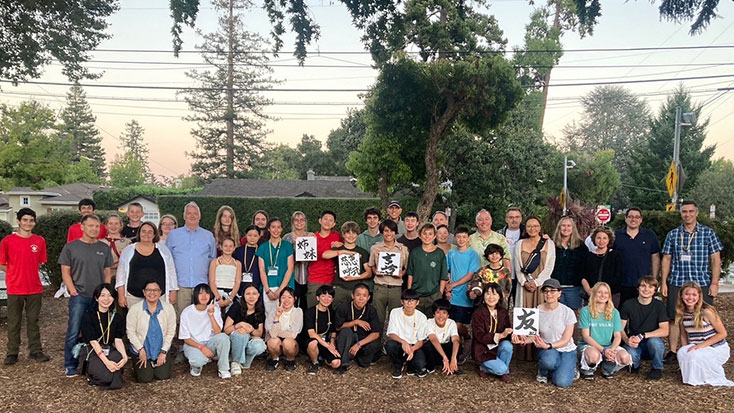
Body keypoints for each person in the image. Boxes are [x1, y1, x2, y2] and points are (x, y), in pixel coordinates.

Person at [661, 200, 723, 364]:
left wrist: (715, 283)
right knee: (675, 318)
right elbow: (666, 259)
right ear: (681, 213)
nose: (687, 214)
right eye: (684, 212)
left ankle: (705, 348)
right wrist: (664, 282)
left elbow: (716, 259)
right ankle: (673, 351)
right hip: (677, 281)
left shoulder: (708, 233)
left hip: (701, 283)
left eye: (690, 211)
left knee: (704, 316)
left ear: (696, 213)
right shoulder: (673, 234)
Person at [59, 214, 114, 377]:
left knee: (99, 331)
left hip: (99, 299)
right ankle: (70, 364)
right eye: (90, 226)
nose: (94, 229)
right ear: (82, 227)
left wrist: (106, 293)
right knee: (74, 331)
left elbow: (107, 272)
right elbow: (65, 271)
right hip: (80, 296)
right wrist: (72, 290)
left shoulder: (104, 248)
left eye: (97, 226)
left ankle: (93, 363)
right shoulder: (71, 247)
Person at [1, 208, 50, 365]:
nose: (28, 223)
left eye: (31, 220)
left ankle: (35, 350)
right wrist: (14, 273)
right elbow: (2, 263)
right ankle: (12, 352)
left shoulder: (39, 241)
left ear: (34, 223)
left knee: (33, 320)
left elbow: (39, 263)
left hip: (34, 288)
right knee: (14, 321)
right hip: (15, 288)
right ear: (18, 222)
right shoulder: (7, 241)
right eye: (25, 220)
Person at [515, 279, 577, 388]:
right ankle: (544, 370)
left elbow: (566, 340)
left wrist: (549, 346)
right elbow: (533, 335)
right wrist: (522, 340)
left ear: (559, 293)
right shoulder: (536, 311)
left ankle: (568, 367)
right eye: (546, 291)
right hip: (547, 349)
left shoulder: (568, 312)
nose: (549, 294)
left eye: (552, 291)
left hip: (566, 349)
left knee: (562, 383)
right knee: (549, 361)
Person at [514, 216, 555, 365]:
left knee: (542, 316)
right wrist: (525, 282)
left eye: (536, 226)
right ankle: (524, 351)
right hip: (525, 287)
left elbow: (549, 267)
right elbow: (517, 267)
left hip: (542, 287)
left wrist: (537, 282)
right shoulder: (519, 244)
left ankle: (541, 350)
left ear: (540, 227)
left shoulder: (549, 244)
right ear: (526, 228)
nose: (533, 229)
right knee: (526, 315)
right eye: (529, 226)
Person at [675, 281, 734, 386]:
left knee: (696, 355)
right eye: (687, 294)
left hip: (716, 347)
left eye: (694, 295)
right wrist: (685, 352)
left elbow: (722, 333)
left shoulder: (707, 311)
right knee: (682, 352)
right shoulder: (682, 313)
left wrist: (700, 346)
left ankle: (703, 378)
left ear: (699, 296)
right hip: (697, 346)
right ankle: (690, 375)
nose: (690, 297)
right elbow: (683, 335)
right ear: (681, 295)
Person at [166, 202, 216, 318]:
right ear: (184, 216)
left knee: (201, 317)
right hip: (180, 286)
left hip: (201, 285)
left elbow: (212, 260)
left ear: (200, 216)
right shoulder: (173, 235)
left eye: (195, 213)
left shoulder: (208, 236)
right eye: (189, 213)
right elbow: (168, 262)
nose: (192, 216)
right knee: (180, 318)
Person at [116, 222, 178, 309]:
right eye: (143, 231)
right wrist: (121, 295)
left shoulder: (163, 250)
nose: (146, 234)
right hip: (134, 297)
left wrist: (173, 291)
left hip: (159, 297)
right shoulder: (128, 250)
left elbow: (171, 272)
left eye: (150, 232)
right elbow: (120, 274)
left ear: (154, 234)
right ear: (139, 233)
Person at [126, 280, 177, 383]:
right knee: (145, 379)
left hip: (160, 350)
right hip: (142, 350)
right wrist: (140, 349)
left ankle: (156, 362)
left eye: (155, 290)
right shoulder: (135, 309)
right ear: (144, 292)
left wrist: (163, 352)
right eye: (148, 290)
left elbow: (171, 332)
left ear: (160, 292)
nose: (152, 293)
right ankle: (141, 366)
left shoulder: (168, 308)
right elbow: (130, 332)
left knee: (163, 376)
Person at [578, 282, 630, 380]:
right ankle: (587, 369)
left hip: (608, 346)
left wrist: (612, 350)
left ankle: (607, 368)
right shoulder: (586, 311)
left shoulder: (614, 312)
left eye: (606, 293)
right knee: (593, 356)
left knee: (625, 358)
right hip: (590, 345)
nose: (603, 295)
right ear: (594, 294)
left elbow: (618, 336)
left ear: (609, 296)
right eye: (599, 292)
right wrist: (603, 350)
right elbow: (586, 336)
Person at [79, 283, 127, 389]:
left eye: (110, 295)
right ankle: (103, 377)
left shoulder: (117, 317)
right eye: (102, 295)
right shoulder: (89, 316)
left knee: (118, 358)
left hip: (110, 350)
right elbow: (93, 342)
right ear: (96, 298)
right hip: (93, 351)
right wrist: (107, 362)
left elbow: (118, 339)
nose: (106, 299)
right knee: (107, 376)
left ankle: (109, 375)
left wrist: (125, 357)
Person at [620, 276, 668, 381]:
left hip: (650, 342)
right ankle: (635, 365)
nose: (646, 289)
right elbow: (620, 328)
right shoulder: (628, 304)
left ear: (655, 290)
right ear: (638, 288)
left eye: (650, 287)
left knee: (655, 343)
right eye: (643, 286)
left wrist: (643, 335)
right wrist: (627, 340)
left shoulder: (659, 306)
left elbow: (665, 330)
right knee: (631, 354)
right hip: (634, 342)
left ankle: (657, 368)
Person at [179, 283, 231, 379]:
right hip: (193, 344)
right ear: (195, 295)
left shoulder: (214, 308)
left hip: (209, 342)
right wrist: (202, 348)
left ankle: (223, 369)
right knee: (198, 361)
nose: (204, 296)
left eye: (207, 293)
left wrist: (211, 315)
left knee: (224, 338)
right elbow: (185, 338)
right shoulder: (187, 312)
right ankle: (196, 367)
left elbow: (218, 333)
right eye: (200, 293)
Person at [444, 225, 481, 353]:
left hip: (464, 295)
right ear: (455, 238)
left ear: (468, 239)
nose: (461, 239)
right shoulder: (451, 254)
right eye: (458, 237)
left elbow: (471, 274)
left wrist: (454, 285)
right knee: (451, 323)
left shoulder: (473, 255)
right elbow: (447, 271)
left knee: (459, 325)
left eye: (464, 237)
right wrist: (447, 289)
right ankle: (457, 352)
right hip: (452, 295)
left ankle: (467, 337)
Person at [613, 207, 661, 305]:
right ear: (625, 219)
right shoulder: (616, 236)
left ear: (641, 220)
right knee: (623, 314)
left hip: (644, 284)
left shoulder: (650, 235)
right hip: (621, 283)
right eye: (630, 217)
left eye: (636, 217)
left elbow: (655, 257)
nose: (633, 219)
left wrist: (654, 279)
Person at [334, 283, 382, 375]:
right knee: (345, 331)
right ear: (353, 295)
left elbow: (376, 333)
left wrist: (359, 344)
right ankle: (344, 363)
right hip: (349, 338)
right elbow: (338, 327)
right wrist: (355, 322)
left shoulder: (371, 310)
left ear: (368, 297)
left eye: (364, 296)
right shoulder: (344, 307)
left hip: (362, 339)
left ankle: (357, 356)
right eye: (358, 295)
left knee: (366, 359)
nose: (361, 298)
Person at [370, 219, 409, 328]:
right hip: (380, 287)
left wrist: (402, 273)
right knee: (378, 318)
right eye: (386, 231)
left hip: (396, 288)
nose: (389, 234)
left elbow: (406, 267)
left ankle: (394, 343)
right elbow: (372, 265)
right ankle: (376, 343)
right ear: (382, 232)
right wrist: (376, 272)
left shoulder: (403, 249)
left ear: (395, 232)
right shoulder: (375, 248)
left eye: (392, 231)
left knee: (395, 319)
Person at [471, 283, 513, 383]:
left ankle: (499, 371)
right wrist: (500, 335)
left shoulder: (503, 312)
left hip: (497, 347)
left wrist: (514, 335)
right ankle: (490, 368)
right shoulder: (478, 313)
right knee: (501, 369)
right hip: (483, 349)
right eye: (488, 293)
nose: (491, 297)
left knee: (508, 346)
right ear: (483, 296)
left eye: (494, 294)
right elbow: (479, 335)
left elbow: (508, 330)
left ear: (499, 296)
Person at [325, 221, 371, 307]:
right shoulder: (338, 250)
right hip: (339, 288)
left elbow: (369, 273)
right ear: (343, 234)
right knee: (337, 313)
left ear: (357, 235)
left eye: (353, 233)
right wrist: (342, 251)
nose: (351, 236)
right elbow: (325, 255)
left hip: (356, 289)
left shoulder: (362, 252)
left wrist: (355, 277)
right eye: (347, 233)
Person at [223, 283, 267, 374]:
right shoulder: (236, 306)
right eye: (248, 294)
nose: (251, 297)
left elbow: (259, 332)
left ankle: (245, 362)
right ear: (243, 295)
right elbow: (226, 329)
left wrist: (251, 329)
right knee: (241, 334)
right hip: (235, 339)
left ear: (259, 295)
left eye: (254, 294)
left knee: (260, 346)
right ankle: (236, 362)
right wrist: (239, 325)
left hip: (249, 341)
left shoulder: (260, 311)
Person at [257, 217, 295, 319]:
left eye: (278, 227)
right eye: (273, 227)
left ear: (282, 229)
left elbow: (290, 268)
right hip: (269, 286)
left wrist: (280, 291)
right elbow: (262, 270)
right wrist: (268, 290)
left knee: (287, 316)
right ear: (268, 229)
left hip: (285, 287)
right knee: (270, 316)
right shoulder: (263, 247)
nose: (276, 230)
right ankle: (269, 335)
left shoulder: (287, 246)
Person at [386, 289, 428, 379]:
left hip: (414, 346)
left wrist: (411, 350)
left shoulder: (422, 317)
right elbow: (391, 334)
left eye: (412, 300)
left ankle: (410, 364)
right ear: (402, 301)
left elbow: (421, 341)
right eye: (406, 300)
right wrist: (403, 342)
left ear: (417, 303)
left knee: (420, 365)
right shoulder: (395, 312)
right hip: (399, 344)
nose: (409, 303)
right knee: (390, 345)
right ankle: (398, 364)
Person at [407, 223, 448, 315]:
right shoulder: (415, 252)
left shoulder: (439, 253)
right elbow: (410, 273)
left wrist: (440, 293)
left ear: (434, 236)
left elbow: (443, 276)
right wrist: (409, 292)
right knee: (416, 321)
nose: (427, 236)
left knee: (432, 322)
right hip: (417, 293)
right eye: (424, 234)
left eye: (430, 234)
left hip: (434, 294)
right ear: (420, 236)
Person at [580, 227, 623, 308]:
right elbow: (582, 275)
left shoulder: (615, 255)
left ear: (609, 240)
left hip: (611, 295)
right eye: (598, 238)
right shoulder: (588, 256)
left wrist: (603, 292)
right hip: (591, 295)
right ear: (594, 239)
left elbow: (618, 276)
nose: (601, 241)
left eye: (604, 238)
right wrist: (589, 291)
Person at [307, 210, 343, 308]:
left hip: (331, 279)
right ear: (320, 221)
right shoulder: (312, 237)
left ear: (334, 224)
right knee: (313, 309)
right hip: (314, 278)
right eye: (325, 219)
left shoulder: (337, 237)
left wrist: (341, 245)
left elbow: (346, 251)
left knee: (329, 311)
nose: (328, 222)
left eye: (331, 220)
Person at [551, 216, 588, 310]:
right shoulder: (551, 244)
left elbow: (584, 267)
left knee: (573, 316)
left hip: (574, 288)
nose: (566, 228)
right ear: (559, 228)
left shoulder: (581, 246)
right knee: (556, 315)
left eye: (568, 226)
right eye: (563, 226)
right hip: (556, 287)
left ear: (573, 228)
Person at [304, 285, 341, 374]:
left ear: (332, 299)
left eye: (329, 297)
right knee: (313, 343)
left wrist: (332, 344)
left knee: (336, 363)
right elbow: (311, 333)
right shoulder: (310, 312)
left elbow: (333, 331)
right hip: (312, 340)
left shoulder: (331, 312)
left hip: (325, 341)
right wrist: (327, 346)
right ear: (317, 298)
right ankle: (315, 362)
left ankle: (322, 358)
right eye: (323, 296)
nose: (326, 299)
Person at [265, 287, 303, 372]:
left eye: (289, 297)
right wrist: (277, 317)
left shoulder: (298, 311)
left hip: (290, 342)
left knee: (288, 342)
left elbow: (293, 334)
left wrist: (277, 333)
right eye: (283, 297)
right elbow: (272, 334)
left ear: (295, 299)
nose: (286, 300)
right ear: (279, 299)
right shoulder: (273, 311)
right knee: (272, 341)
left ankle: (290, 360)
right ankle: (275, 359)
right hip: (276, 340)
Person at [283, 211, 314, 309]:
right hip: (293, 276)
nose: (299, 222)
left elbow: (313, 256)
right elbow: (284, 259)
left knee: (306, 305)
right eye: (296, 220)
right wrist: (296, 248)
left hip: (309, 275)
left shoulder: (311, 236)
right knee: (293, 303)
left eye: (302, 220)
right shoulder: (287, 238)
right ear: (293, 222)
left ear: (305, 222)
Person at [424, 299, 461, 375]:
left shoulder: (451, 323)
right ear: (434, 314)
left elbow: (456, 340)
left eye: (444, 313)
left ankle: (453, 365)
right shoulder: (429, 322)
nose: (441, 316)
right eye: (438, 312)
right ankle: (431, 366)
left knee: (455, 344)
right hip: (435, 350)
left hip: (446, 348)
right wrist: (445, 358)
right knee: (428, 344)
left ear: (448, 315)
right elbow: (433, 339)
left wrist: (453, 358)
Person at [208, 237, 242, 312]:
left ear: (234, 248)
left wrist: (230, 298)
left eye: (230, 246)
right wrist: (218, 298)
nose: (228, 248)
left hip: (231, 294)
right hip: (217, 293)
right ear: (221, 247)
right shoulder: (215, 262)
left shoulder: (237, 263)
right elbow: (212, 281)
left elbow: (237, 281)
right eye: (225, 246)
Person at [234, 225, 262, 296]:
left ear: (259, 236)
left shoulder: (262, 251)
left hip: (257, 284)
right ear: (246, 235)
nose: (252, 238)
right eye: (250, 235)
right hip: (240, 284)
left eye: (255, 236)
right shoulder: (238, 251)